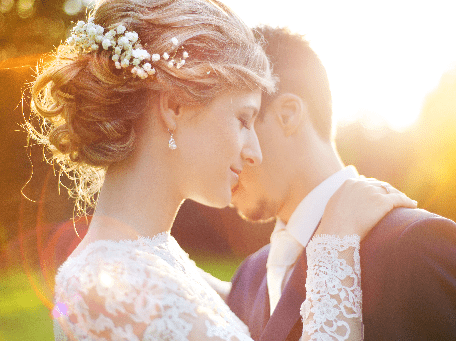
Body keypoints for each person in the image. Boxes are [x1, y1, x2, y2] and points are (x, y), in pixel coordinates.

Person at [26, 1, 416, 340]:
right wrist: (334, 240)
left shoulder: (156, 260)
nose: (255, 151)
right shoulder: (110, 288)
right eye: (243, 119)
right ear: (175, 106)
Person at [227, 26, 456, 340]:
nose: (222, 157)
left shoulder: (419, 245)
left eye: (238, 122)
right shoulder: (247, 280)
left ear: (288, 115)